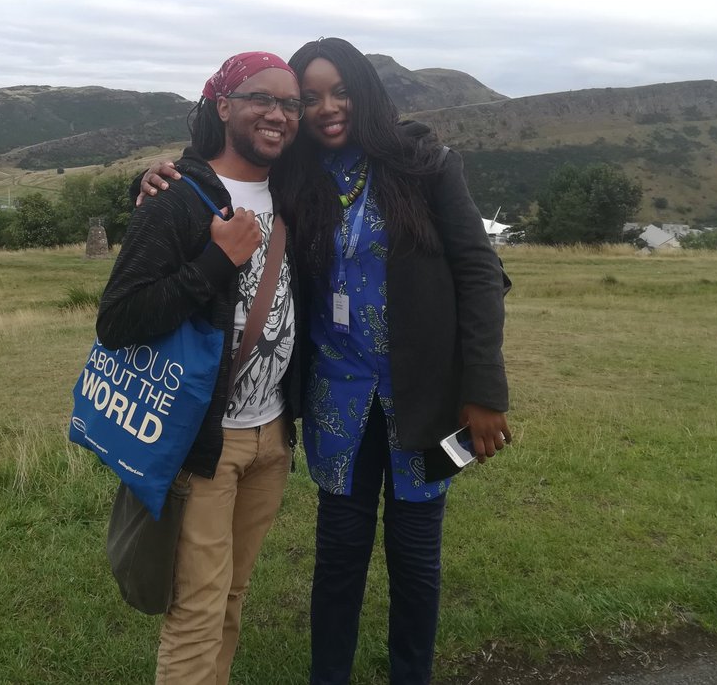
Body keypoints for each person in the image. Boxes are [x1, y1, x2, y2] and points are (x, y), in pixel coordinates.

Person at [138, 37, 511, 684]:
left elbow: (480, 272)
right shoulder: (295, 175)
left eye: (340, 91)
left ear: (364, 91)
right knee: (339, 554)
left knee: (417, 555)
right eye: (310, 98)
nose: (327, 108)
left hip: (434, 400)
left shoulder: (426, 164)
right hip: (335, 401)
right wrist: (149, 177)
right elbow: (221, 182)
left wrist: (486, 390)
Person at [97, 51, 304, 685]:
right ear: (223, 106)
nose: (277, 113)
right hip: (206, 442)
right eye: (260, 98)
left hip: (274, 436)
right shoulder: (179, 199)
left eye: (289, 103)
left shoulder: (296, 195)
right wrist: (213, 265)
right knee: (196, 609)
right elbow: (120, 318)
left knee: (233, 595)